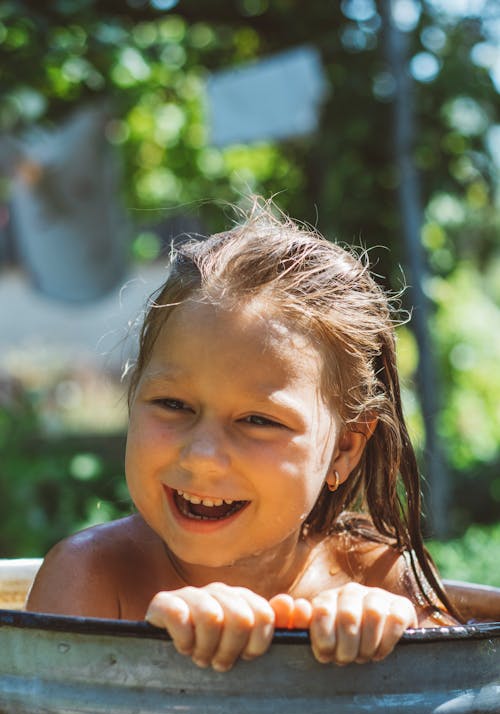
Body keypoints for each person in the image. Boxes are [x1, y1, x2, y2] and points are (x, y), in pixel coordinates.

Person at [27, 201, 460, 672]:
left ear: (345, 449)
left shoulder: (380, 578)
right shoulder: (92, 578)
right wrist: (152, 654)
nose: (203, 456)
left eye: (258, 421)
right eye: (173, 405)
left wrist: (396, 625)